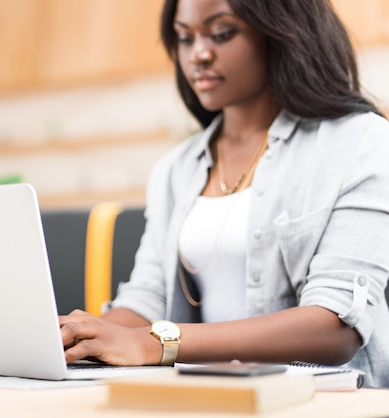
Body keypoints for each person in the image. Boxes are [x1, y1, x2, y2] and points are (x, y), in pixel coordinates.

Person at [59, 0, 389, 388]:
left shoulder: (362, 141)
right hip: (205, 396)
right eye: (184, 38)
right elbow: (147, 299)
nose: (198, 54)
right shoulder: (176, 167)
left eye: (221, 33)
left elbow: (335, 326)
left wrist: (155, 343)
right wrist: (70, 337)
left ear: (282, 33)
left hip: (318, 401)